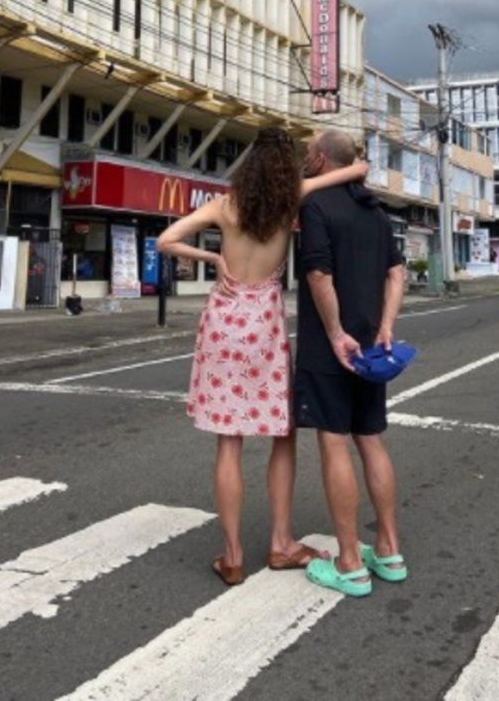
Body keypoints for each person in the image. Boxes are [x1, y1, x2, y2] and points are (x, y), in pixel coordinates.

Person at [157, 127, 367, 586]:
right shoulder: (291, 199)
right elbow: (355, 170)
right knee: (282, 435)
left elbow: (165, 240)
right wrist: (350, 160)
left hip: (222, 321)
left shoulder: (224, 205)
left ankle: (232, 555)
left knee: (228, 441)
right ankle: (281, 543)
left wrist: (213, 261)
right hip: (264, 328)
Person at [294, 129, 406, 597]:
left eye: (307, 154)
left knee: (334, 442)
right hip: (372, 343)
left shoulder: (315, 206)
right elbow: (396, 273)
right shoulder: (375, 211)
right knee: (371, 440)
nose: (304, 159)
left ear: (321, 159)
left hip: (330, 345)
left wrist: (336, 333)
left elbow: (319, 274)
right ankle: (389, 550)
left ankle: (349, 562)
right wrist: (385, 326)